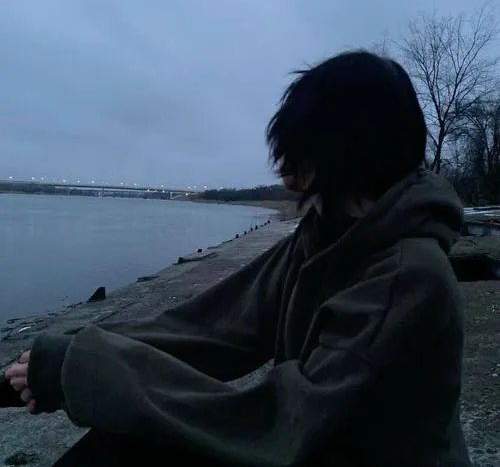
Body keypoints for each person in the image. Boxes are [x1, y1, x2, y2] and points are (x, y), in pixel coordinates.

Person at [2, 50, 472, 466]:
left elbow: (280, 425)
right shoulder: (327, 237)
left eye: (297, 150)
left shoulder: (407, 279)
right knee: (123, 442)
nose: (284, 170)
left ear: (345, 149)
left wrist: (82, 369)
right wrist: (62, 354)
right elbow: (209, 330)